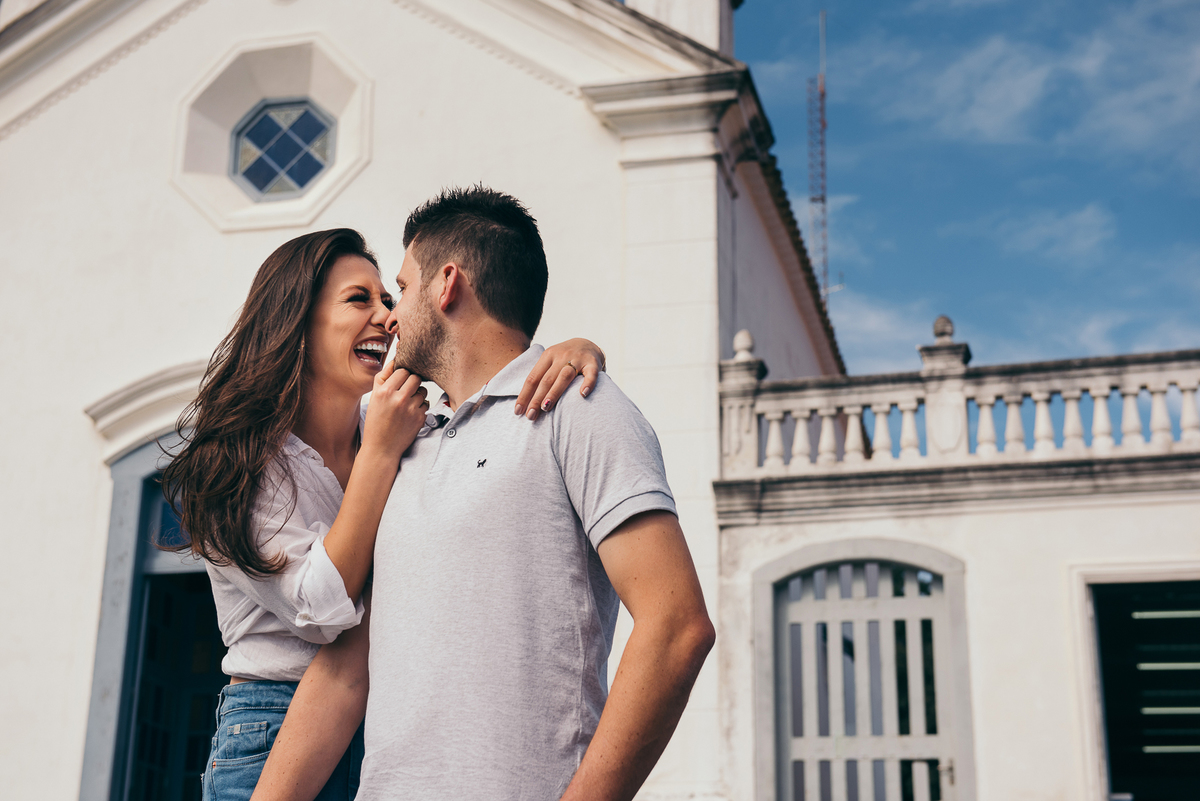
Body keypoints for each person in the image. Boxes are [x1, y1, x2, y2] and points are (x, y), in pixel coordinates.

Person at [251, 188, 715, 801]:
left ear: (447, 285)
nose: (392, 315)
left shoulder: (578, 407)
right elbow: (346, 667)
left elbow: (677, 624)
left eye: (402, 288)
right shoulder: (401, 441)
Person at [160, 227, 607, 801]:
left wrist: (570, 351)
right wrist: (378, 457)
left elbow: (485, 396)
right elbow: (324, 610)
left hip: (387, 725)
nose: (388, 317)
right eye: (359, 299)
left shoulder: (392, 421)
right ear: (296, 319)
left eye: (389, 298)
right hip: (273, 729)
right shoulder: (236, 463)